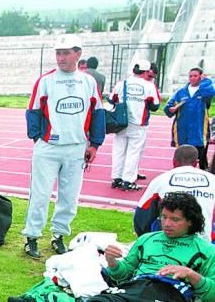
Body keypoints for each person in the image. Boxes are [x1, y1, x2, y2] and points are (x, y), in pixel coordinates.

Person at [23, 34, 105, 258]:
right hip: (48, 147)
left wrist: (95, 144)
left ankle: (58, 235)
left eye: (66, 53)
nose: (60, 57)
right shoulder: (46, 80)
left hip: (77, 148)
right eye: (58, 53)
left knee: (69, 196)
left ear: (78, 54)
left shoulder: (88, 82)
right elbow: (33, 111)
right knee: (40, 194)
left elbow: (98, 113)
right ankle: (32, 237)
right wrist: (38, 138)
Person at [90, 193, 215, 301]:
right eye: (164, 217)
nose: (167, 224)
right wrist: (112, 263)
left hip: (170, 291)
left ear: (190, 221)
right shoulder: (147, 239)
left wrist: (190, 274)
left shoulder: (206, 250)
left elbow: (212, 294)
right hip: (135, 287)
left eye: (175, 219)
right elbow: (124, 275)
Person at [134, 145, 215, 243]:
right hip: (206, 240)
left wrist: (145, 239)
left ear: (174, 161)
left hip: (169, 239)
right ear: (195, 163)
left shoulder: (161, 179)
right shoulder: (212, 179)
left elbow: (141, 214)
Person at [109, 59, 160, 191]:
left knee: (118, 151)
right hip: (138, 124)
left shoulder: (121, 84)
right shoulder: (149, 86)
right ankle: (128, 180)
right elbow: (155, 106)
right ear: (146, 71)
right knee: (133, 152)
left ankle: (116, 178)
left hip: (121, 122)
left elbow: (111, 99)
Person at [165, 67, 215, 170]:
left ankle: (203, 175)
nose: (192, 78)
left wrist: (205, 80)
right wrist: (170, 109)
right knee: (182, 156)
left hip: (199, 130)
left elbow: (210, 90)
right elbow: (169, 106)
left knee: (201, 156)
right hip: (183, 130)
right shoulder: (181, 92)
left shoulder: (203, 91)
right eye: (190, 76)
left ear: (200, 76)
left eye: (195, 76)